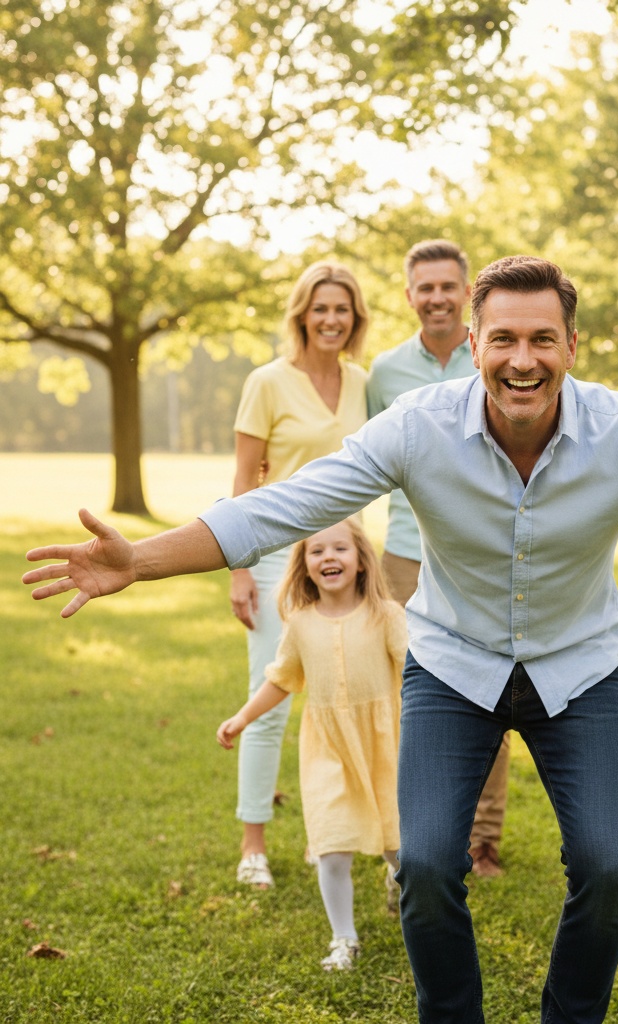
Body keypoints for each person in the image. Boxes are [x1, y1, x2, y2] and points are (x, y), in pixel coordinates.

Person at [24, 256, 618, 1024]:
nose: (521, 358)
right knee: (429, 867)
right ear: (477, 344)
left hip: (581, 669)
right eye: (503, 339)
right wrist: (142, 559)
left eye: (542, 337)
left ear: (572, 343)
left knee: (610, 870)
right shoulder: (417, 426)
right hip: (453, 668)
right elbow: (285, 503)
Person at [366, 239, 509, 879]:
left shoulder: (495, 356)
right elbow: (375, 465)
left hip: (485, 555)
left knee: (496, 690)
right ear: (409, 296)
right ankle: (419, 835)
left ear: (466, 293)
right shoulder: (386, 373)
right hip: (403, 553)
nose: (437, 298)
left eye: (448, 286)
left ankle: (483, 840)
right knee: (417, 700)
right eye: (425, 288)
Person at [226, 260, 369, 889]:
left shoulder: (364, 383)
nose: (331, 319)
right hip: (279, 559)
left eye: (342, 309)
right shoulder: (267, 382)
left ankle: (328, 835)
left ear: (355, 317)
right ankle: (253, 843)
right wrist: (238, 570)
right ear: (302, 315)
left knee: (340, 701)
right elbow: (242, 483)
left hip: (347, 559)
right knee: (273, 697)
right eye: (321, 308)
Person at [217, 519, 406, 969]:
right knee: (331, 848)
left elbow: (416, 672)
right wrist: (243, 717)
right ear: (302, 565)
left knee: (403, 850)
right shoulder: (299, 622)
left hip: (388, 748)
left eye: (339, 548)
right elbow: (282, 679)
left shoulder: (386, 615)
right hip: (328, 752)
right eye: (316, 551)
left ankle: (402, 889)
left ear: (361, 560)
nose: (328, 558)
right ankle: (344, 938)